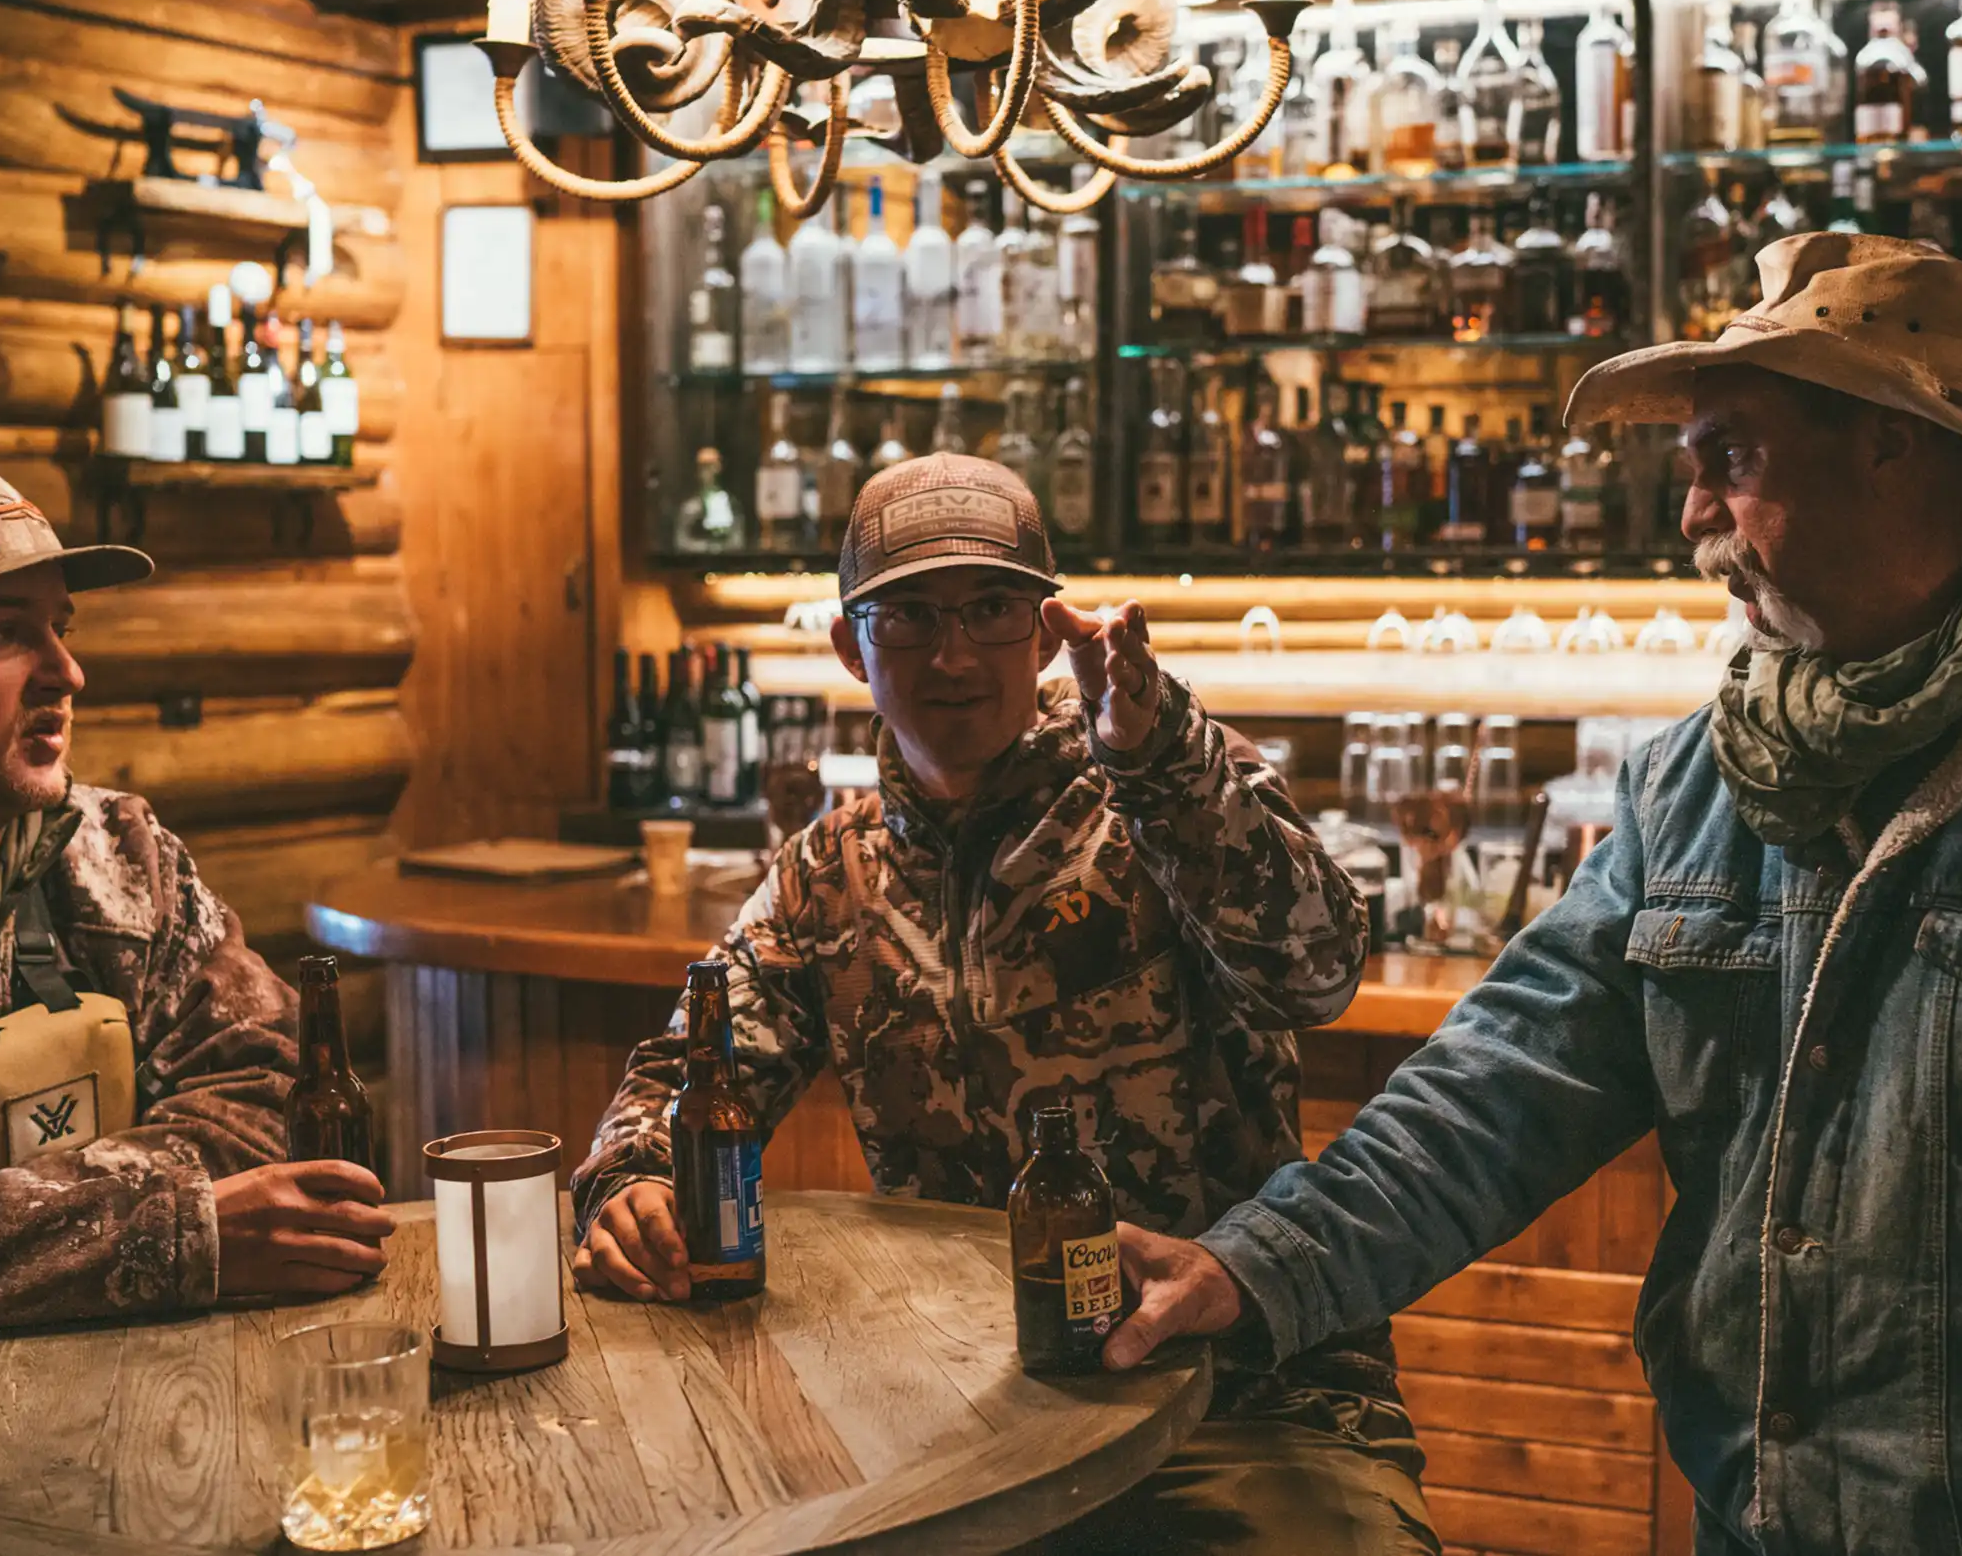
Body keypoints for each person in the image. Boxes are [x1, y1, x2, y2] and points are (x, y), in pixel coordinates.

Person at [1106, 233, 1962, 1554]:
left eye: (1728, 457)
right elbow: (1505, 1079)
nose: (1690, 516)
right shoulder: (1704, 782)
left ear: (1888, 443)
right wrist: (1250, 1262)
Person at [571, 454, 1436, 1554]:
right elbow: (690, 1063)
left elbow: (1316, 974)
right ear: (850, 648)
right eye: (909, 616)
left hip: (1245, 1396)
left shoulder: (1165, 788)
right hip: (959, 1407)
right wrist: (627, 1179)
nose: (953, 654)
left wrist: (1159, 751)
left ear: (1045, 631)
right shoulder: (823, 872)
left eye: (990, 609)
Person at [0, 464, 391, 1327]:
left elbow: (270, 1093)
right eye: (4, 634)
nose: (66, 672)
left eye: (61, 628)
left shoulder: (122, 851)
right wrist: (177, 1225)